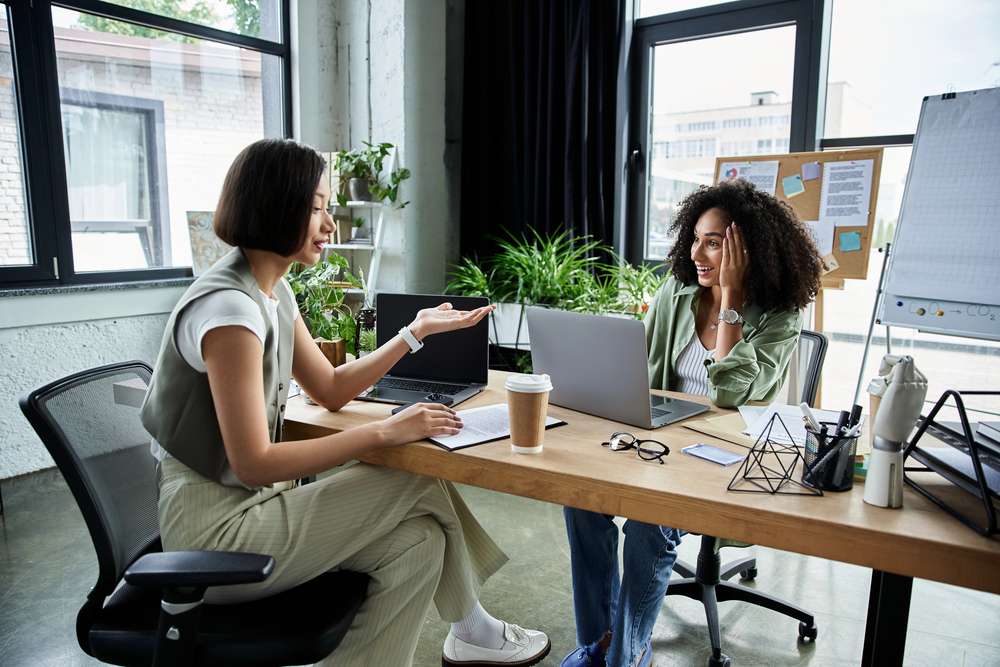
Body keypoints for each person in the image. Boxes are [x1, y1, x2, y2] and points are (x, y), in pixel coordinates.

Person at [140, 138, 550, 667]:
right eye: (316, 207)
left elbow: (329, 389)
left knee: (419, 544)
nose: (330, 224)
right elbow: (253, 461)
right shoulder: (229, 311)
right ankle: (473, 626)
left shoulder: (271, 291)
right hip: (216, 535)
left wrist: (414, 332)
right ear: (274, 204)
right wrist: (385, 431)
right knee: (414, 469)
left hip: (260, 509)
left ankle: (466, 630)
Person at [560, 178, 823, 667]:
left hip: (725, 456)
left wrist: (730, 299)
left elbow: (727, 394)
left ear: (750, 250)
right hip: (656, 439)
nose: (696, 253)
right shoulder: (676, 293)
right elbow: (636, 368)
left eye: (715, 243)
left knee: (647, 523)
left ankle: (629, 655)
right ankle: (598, 645)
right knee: (580, 502)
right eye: (695, 238)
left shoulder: (779, 316)